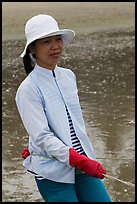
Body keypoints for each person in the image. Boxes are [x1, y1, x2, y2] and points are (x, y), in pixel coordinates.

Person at [15, 14, 112, 202]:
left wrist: (84, 159)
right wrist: (76, 158)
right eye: (46, 41)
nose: (56, 46)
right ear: (33, 48)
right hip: (52, 170)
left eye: (58, 39)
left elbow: (73, 123)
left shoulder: (68, 76)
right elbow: (42, 136)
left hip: (83, 164)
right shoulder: (28, 89)